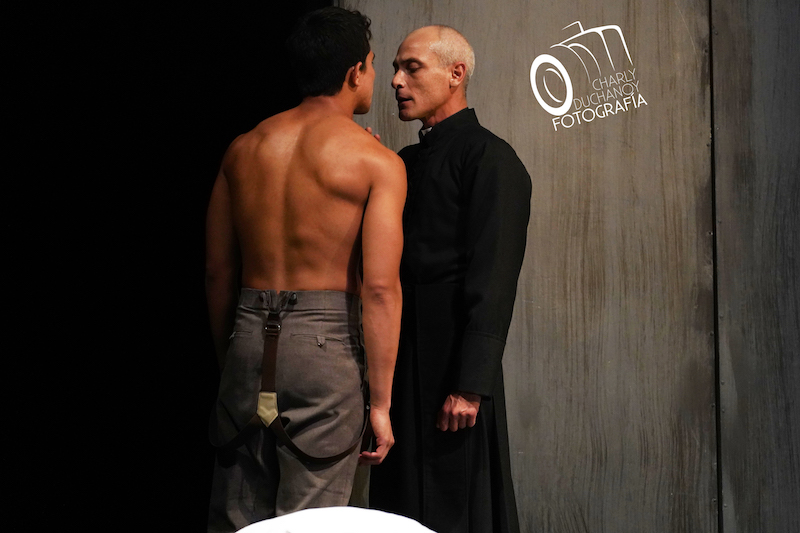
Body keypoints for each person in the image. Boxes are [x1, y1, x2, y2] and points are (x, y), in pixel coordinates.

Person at [205, 7, 406, 532]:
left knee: (237, 521)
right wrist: (381, 404)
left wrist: (232, 359)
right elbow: (380, 289)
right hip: (323, 352)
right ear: (354, 72)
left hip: (247, 339)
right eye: (372, 65)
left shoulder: (243, 149)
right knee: (315, 524)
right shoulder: (375, 162)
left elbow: (218, 273)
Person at [368, 25, 531, 533]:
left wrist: (471, 386)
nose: (396, 81)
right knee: (397, 505)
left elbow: (495, 279)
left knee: (454, 505)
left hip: (452, 366)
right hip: (399, 354)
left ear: (456, 73)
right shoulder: (403, 162)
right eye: (394, 69)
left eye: (411, 67)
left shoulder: (491, 158)